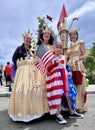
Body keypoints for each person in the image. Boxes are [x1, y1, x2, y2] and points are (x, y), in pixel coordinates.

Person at [8, 30, 49, 122]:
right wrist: (22, 67)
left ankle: (34, 113)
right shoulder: (19, 48)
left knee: (33, 90)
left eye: (30, 39)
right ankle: (22, 114)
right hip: (23, 73)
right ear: (24, 39)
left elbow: (36, 59)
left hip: (33, 73)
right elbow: (14, 59)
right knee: (23, 90)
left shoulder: (32, 49)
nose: (29, 40)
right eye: (27, 39)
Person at [36, 26, 67, 124]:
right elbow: (38, 61)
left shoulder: (53, 45)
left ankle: (57, 113)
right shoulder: (39, 47)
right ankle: (47, 111)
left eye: (48, 34)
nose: (46, 35)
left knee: (56, 91)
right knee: (47, 92)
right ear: (42, 35)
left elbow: (57, 55)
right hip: (43, 73)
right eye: (45, 34)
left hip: (54, 71)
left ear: (50, 36)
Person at [53, 41, 84, 119]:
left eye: (61, 48)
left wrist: (69, 72)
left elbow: (67, 67)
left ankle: (72, 112)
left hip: (65, 78)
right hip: (56, 79)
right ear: (54, 48)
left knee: (69, 94)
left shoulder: (64, 57)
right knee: (58, 95)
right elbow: (49, 68)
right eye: (57, 47)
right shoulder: (52, 58)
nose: (59, 49)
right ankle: (58, 114)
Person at [67, 29, 87, 113]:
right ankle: (74, 106)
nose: (72, 36)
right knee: (72, 86)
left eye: (74, 34)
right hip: (70, 66)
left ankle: (80, 106)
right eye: (71, 35)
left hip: (78, 65)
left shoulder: (80, 43)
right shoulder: (69, 46)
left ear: (77, 35)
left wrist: (78, 59)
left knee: (79, 86)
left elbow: (85, 55)